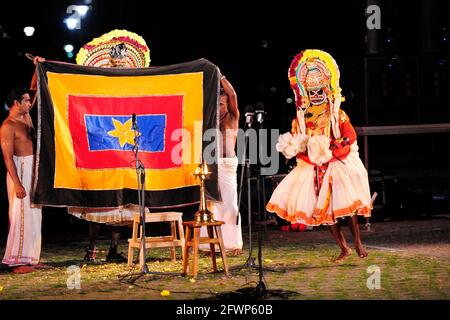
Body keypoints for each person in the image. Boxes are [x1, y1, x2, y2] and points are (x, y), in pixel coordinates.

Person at [34, 30, 151, 263]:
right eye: (115, 66)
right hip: (101, 144)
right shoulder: (97, 86)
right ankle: (92, 248)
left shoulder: (132, 88)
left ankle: (114, 249)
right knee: (99, 203)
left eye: (122, 67)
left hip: (125, 147)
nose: (119, 70)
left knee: (123, 203)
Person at [266, 49, 372, 262]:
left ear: (326, 89)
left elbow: (349, 135)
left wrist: (336, 149)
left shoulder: (336, 113)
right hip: (314, 168)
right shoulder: (301, 119)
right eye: (311, 92)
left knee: (348, 206)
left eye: (319, 91)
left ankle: (358, 242)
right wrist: (305, 154)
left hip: (337, 163)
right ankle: (343, 247)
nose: (316, 96)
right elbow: (299, 144)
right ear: (305, 92)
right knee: (324, 212)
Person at [200, 74, 243, 256]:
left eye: (221, 104)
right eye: (216, 104)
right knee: (212, 205)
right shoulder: (210, 119)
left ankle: (232, 244)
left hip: (228, 165)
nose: (218, 107)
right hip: (212, 163)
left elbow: (232, 94)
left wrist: (221, 77)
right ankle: (210, 244)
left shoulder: (232, 118)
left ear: (227, 106)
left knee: (230, 206)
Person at [1, 86, 42, 273]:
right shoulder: (8, 125)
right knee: (21, 215)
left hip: (33, 170)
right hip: (21, 171)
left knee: (34, 215)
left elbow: (34, 90)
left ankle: (31, 258)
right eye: (25, 100)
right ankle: (16, 261)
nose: (29, 102)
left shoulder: (25, 117)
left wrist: (36, 68)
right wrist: (17, 183)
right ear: (16, 103)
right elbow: (8, 158)